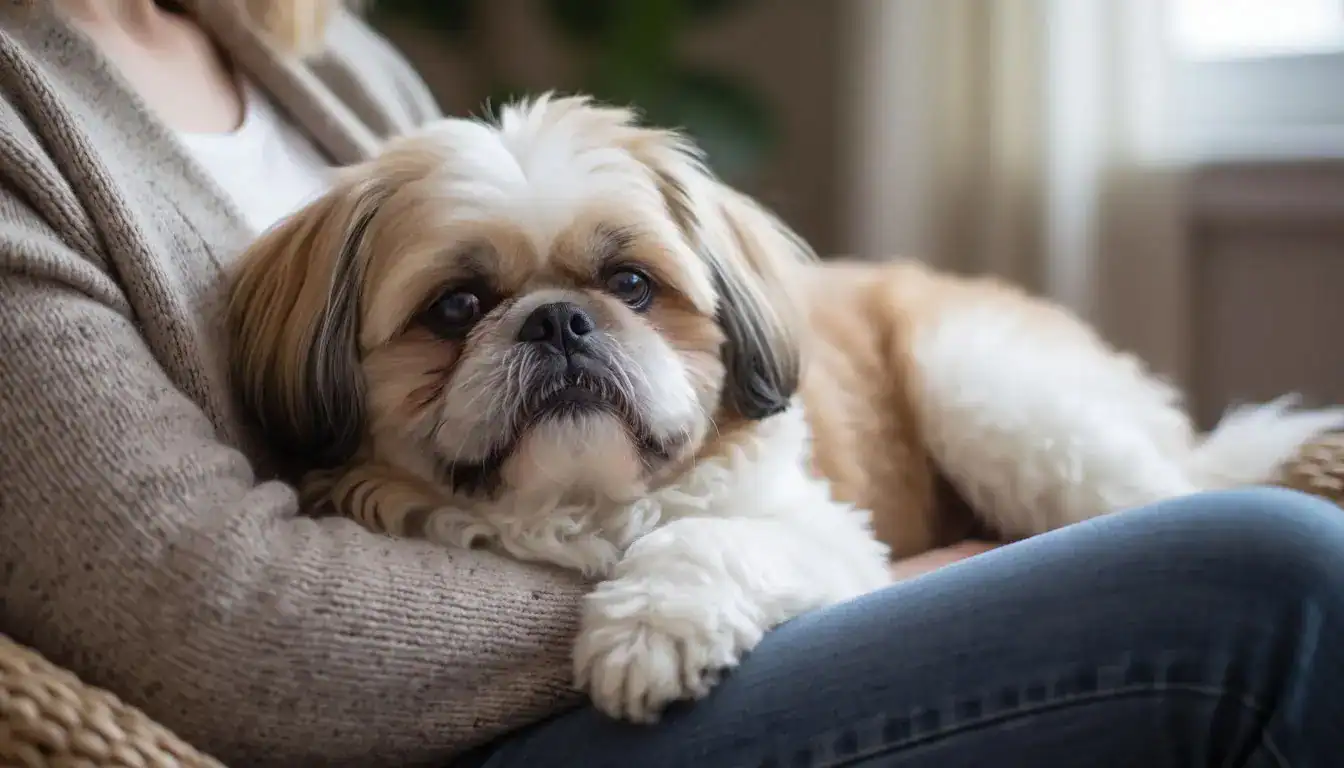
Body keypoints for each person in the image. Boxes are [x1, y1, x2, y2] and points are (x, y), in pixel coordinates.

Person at [0, 2, 1340, 766]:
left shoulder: (312, 45)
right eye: (458, 310)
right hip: (485, 728)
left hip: (715, 593)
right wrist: (781, 590)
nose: (559, 337)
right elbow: (225, 628)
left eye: (625, 289)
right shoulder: (25, 109)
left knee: (1217, 531)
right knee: (1272, 576)